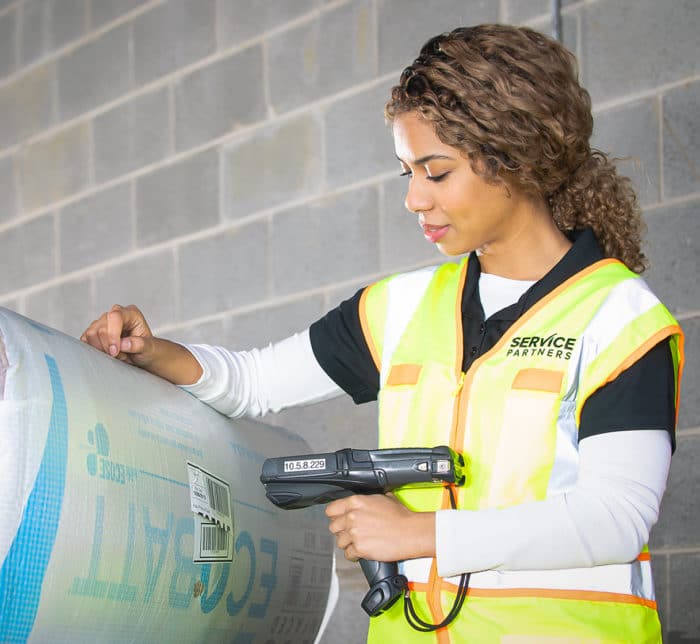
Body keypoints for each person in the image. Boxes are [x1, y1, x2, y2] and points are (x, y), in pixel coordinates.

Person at [82, 24, 683, 643]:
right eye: (407, 173)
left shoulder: (619, 318)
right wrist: (151, 353)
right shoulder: (398, 307)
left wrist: (416, 534)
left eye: (437, 171)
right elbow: (253, 382)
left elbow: (617, 518)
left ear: (517, 157)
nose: (414, 199)